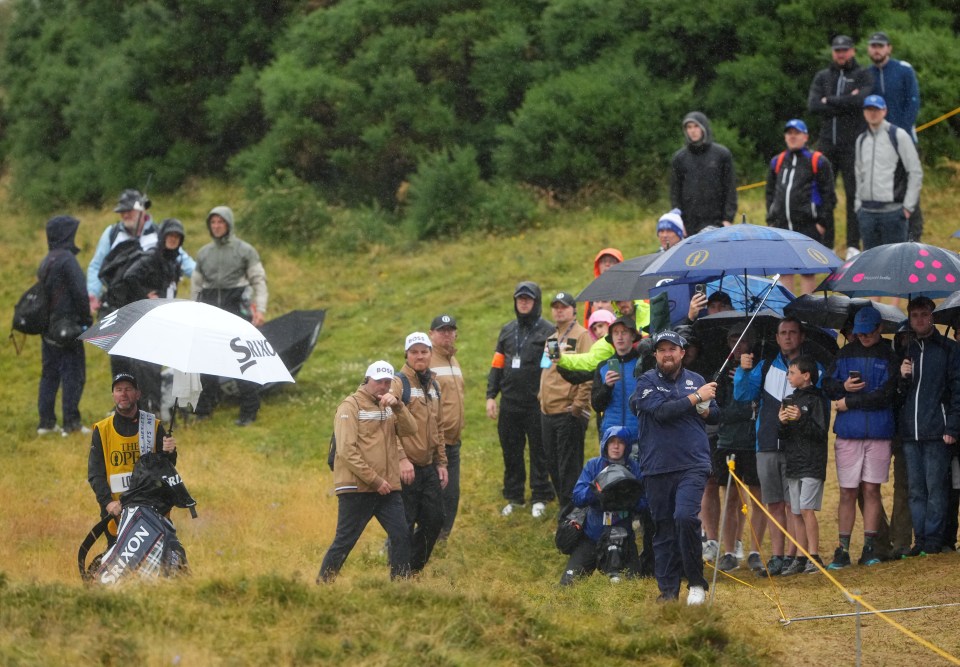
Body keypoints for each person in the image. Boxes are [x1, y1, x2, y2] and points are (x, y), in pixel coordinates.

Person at [630, 330, 719, 605]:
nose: (667, 354)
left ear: (682, 353)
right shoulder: (646, 381)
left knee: (685, 518)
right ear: (655, 355)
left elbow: (715, 414)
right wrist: (695, 400)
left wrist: (706, 408)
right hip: (657, 466)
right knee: (664, 528)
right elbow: (662, 412)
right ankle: (668, 591)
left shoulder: (697, 380)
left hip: (693, 462)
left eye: (673, 349)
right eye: (662, 350)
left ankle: (696, 583)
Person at [734, 317, 827, 576]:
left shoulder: (813, 368)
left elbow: (821, 407)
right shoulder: (764, 367)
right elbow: (743, 395)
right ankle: (777, 556)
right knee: (773, 503)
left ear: (801, 336)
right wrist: (743, 371)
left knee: (793, 505)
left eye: (792, 333)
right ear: (776, 338)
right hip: (765, 444)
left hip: (796, 447)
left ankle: (796, 555)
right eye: (782, 333)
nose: (787, 337)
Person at [318, 361, 417, 582]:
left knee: (401, 534)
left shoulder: (389, 406)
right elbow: (345, 451)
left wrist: (399, 406)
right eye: (378, 381)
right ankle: (323, 583)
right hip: (357, 487)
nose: (383, 386)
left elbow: (412, 430)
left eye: (387, 382)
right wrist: (374, 480)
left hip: (387, 488)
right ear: (367, 380)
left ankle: (401, 586)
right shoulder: (349, 406)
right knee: (345, 540)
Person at [822, 306, 899, 568]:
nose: (863, 337)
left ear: (879, 329)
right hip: (849, 433)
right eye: (860, 333)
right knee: (847, 491)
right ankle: (842, 549)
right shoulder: (844, 354)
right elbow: (827, 386)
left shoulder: (889, 356)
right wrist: (843, 388)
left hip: (878, 432)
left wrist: (849, 401)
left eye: (868, 333)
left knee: (871, 489)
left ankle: (870, 548)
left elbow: (885, 396)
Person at [190, 206, 269, 426]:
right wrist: (193, 313)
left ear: (229, 224)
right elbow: (196, 285)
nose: (216, 227)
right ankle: (205, 409)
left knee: (242, 363)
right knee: (206, 363)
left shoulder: (245, 250)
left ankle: (249, 412)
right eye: (213, 223)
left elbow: (258, 281)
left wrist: (260, 310)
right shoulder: (204, 253)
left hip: (236, 309)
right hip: (208, 310)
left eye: (220, 222)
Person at [897, 297, 960, 556]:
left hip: (938, 430)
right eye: (915, 316)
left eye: (924, 315)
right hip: (910, 432)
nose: (920, 320)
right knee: (915, 490)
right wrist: (902, 377)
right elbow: (898, 395)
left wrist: (952, 427)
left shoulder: (948, 349)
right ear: (910, 319)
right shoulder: (906, 349)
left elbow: (957, 390)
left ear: (932, 316)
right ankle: (920, 539)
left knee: (936, 488)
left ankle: (934, 540)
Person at [486, 282, 555, 517]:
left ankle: (540, 495)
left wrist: (548, 393)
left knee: (539, 451)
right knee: (511, 451)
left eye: (528, 299)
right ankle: (514, 497)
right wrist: (490, 396)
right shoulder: (506, 330)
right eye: (519, 299)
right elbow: (496, 365)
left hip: (536, 404)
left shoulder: (550, 331)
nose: (523, 302)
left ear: (536, 302)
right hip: (509, 403)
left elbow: (555, 366)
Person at [87, 373, 177, 546]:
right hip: (116, 511)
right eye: (119, 390)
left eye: (128, 389)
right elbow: (95, 474)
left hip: (152, 508)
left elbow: (167, 467)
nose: (123, 394)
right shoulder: (102, 429)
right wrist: (108, 503)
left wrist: (170, 452)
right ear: (113, 394)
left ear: (138, 394)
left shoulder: (153, 425)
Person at [808, 35, 874, 257]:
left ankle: (853, 244)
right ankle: (826, 244)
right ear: (832, 52)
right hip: (826, 143)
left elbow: (861, 101)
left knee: (853, 193)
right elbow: (814, 106)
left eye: (845, 50)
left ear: (853, 51)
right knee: (825, 195)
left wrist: (832, 100)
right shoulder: (822, 76)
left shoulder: (862, 74)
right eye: (837, 50)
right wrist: (846, 100)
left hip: (852, 144)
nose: (841, 54)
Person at [117, 218, 190, 413]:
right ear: (163, 237)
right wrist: (145, 295)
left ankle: (152, 408)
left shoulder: (173, 261)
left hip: (162, 319)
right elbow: (129, 276)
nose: (173, 240)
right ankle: (147, 409)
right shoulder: (151, 258)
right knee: (146, 365)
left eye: (177, 237)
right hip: (146, 319)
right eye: (170, 236)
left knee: (154, 365)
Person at [559, 426, 644, 586]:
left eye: (621, 442)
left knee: (632, 588)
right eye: (612, 442)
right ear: (605, 444)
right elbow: (577, 497)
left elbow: (646, 503)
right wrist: (595, 491)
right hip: (591, 536)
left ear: (627, 446)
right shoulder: (593, 466)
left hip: (622, 537)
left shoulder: (634, 469)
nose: (616, 446)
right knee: (567, 586)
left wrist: (627, 500)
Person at [87, 189, 195, 315]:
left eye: (129, 210)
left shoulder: (158, 233)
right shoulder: (112, 233)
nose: (125, 215)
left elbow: (181, 259)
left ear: (143, 210)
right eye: (122, 211)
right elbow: (96, 265)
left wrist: (203, 276)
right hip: (117, 306)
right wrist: (93, 293)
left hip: (149, 308)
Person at [392, 332, 448, 573]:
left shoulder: (434, 385)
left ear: (430, 353)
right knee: (403, 525)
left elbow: (439, 426)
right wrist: (402, 459)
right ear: (406, 354)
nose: (419, 356)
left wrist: (442, 462)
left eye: (424, 351)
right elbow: (386, 424)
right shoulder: (398, 383)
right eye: (414, 352)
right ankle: (399, 574)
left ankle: (413, 569)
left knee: (435, 521)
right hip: (406, 469)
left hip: (429, 467)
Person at [713, 325, 767, 574]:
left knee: (757, 497)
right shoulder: (721, 372)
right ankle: (728, 551)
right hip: (728, 441)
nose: (739, 344)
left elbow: (760, 404)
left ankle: (755, 551)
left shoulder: (761, 367)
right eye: (734, 337)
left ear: (752, 342)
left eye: (744, 339)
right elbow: (718, 409)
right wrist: (744, 411)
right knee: (731, 498)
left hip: (753, 442)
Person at [765, 119, 837, 294]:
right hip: (782, 225)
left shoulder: (817, 161)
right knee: (784, 270)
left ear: (805, 137)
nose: (792, 136)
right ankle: (787, 313)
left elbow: (829, 195)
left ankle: (806, 313)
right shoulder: (778, 161)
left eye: (796, 133)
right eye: (789, 133)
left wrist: (821, 223)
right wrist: (771, 218)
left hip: (808, 224)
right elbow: (770, 193)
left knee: (807, 271)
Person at [37, 215, 93, 436]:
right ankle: (72, 423)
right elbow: (80, 292)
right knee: (73, 373)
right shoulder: (68, 260)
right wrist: (87, 320)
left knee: (49, 374)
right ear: (66, 235)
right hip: (68, 328)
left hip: (47, 328)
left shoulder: (47, 260)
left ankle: (46, 423)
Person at [866, 30, 924, 242]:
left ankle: (914, 236)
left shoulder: (904, 70)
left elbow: (913, 102)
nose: (877, 50)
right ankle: (889, 236)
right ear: (868, 49)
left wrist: (899, 134)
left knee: (910, 187)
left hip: (905, 140)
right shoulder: (866, 74)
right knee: (886, 190)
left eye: (881, 46)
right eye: (873, 46)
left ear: (889, 48)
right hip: (879, 144)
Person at [539, 292, 593, 512]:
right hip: (548, 412)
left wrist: (579, 405)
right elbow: (547, 370)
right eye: (555, 306)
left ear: (574, 310)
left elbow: (588, 371)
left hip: (568, 412)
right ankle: (565, 508)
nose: (559, 310)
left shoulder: (582, 336)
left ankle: (572, 513)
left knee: (568, 467)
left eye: (563, 306)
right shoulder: (552, 337)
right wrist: (540, 398)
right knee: (553, 464)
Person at [777, 356, 829, 575]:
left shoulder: (817, 400)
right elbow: (784, 436)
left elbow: (820, 432)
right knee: (796, 511)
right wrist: (782, 423)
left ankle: (814, 555)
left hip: (812, 462)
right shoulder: (790, 399)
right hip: (794, 462)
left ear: (806, 375)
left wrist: (801, 418)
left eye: (792, 372)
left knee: (807, 509)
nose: (788, 376)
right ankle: (800, 555)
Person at [854, 95, 923, 251]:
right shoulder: (861, 140)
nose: (873, 113)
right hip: (867, 213)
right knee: (872, 265)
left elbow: (915, 172)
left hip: (893, 212)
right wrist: (858, 205)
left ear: (884, 111)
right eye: (869, 109)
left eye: (876, 109)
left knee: (896, 263)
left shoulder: (898, 135)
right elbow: (858, 174)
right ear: (864, 112)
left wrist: (907, 207)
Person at [670, 112, 738, 236]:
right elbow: (675, 193)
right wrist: (679, 221)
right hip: (690, 223)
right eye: (689, 127)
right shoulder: (679, 158)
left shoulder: (722, 155)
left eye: (696, 126)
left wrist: (728, 218)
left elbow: (730, 189)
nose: (693, 131)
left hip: (717, 222)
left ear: (703, 128)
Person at [429, 315, 465, 541]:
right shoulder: (428, 361)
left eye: (450, 330)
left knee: (451, 496)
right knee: (428, 497)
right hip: (434, 444)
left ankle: (440, 539)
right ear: (431, 333)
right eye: (441, 330)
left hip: (454, 442)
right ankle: (399, 540)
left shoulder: (453, 360)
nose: (446, 334)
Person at [582, 248, 623, 328]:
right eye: (604, 261)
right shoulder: (592, 290)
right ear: (598, 265)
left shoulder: (628, 286)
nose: (607, 264)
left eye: (612, 262)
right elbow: (587, 318)